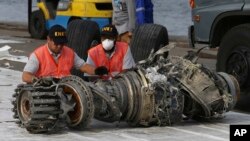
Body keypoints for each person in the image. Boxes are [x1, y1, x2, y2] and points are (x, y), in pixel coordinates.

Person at [22, 25, 108, 83]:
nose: (59, 46)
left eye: (62, 43)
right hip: (45, 89)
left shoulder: (69, 52)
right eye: (56, 43)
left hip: (66, 87)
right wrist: (39, 81)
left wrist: (97, 71)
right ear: (48, 39)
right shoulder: (37, 55)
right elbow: (25, 76)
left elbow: (83, 66)